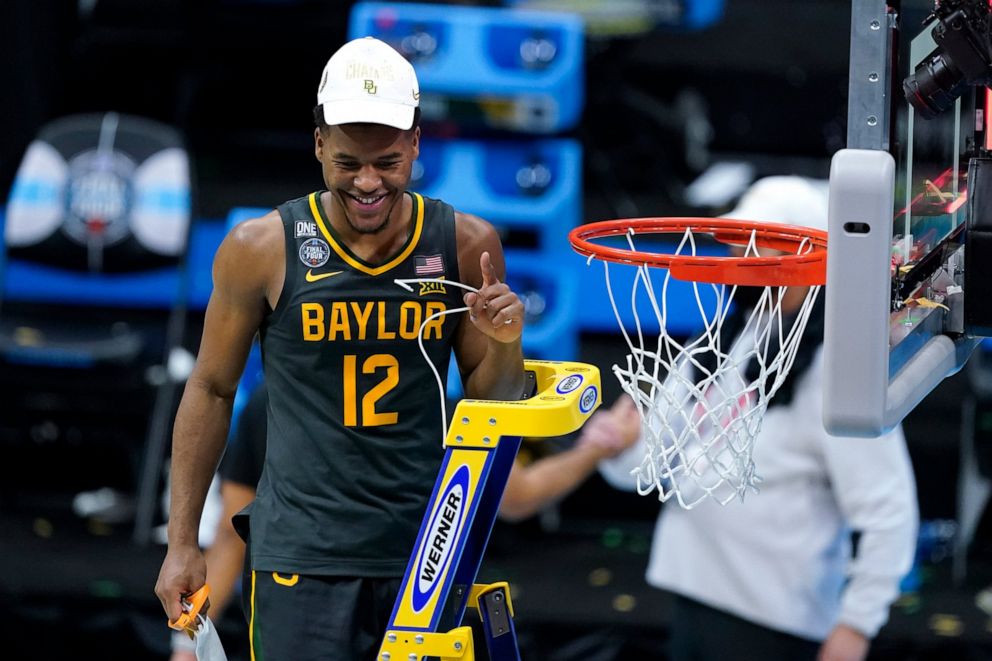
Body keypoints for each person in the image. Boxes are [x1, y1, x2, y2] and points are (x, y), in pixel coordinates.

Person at [155, 36, 529, 660]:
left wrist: (507, 343)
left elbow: (495, 399)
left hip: (428, 553)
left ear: (415, 143)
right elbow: (211, 388)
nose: (367, 182)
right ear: (320, 143)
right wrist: (181, 541)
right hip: (300, 556)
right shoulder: (261, 247)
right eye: (348, 161)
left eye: (386, 161)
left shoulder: (466, 241)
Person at [599, 176, 919, 661]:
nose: (744, 258)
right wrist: (617, 446)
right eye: (740, 244)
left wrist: (855, 626)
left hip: (774, 624)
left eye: (761, 245)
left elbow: (889, 511)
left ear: (806, 256)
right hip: (692, 596)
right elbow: (650, 466)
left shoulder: (836, 366)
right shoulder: (723, 342)